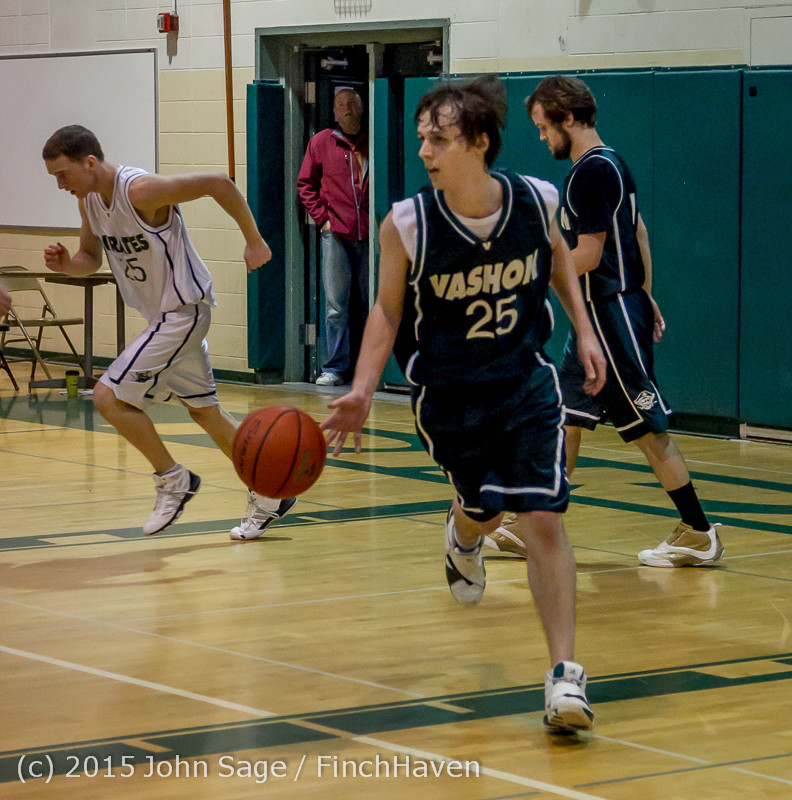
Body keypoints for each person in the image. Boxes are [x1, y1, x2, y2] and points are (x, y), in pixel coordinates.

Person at [322, 76, 607, 734]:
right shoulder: (407, 224)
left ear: (478, 142)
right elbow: (388, 311)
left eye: (439, 139)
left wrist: (585, 331)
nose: (425, 151)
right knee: (486, 507)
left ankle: (565, 676)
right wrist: (362, 388)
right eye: (422, 138)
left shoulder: (537, 199)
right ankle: (462, 534)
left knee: (542, 518)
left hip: (524, 380)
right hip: (448, 392)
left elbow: (561, 260)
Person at [503, 74, 722, 569]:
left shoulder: (590, 173)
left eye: (543, 127)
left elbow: (587, 254)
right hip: (600, 315)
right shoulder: (610, 163)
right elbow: (638, 231)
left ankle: (699, 530)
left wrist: (526, 270)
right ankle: (534, 525)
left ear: (567, 117)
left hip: (607, 314)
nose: (541, 138)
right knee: (565, 416)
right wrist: (645, 292)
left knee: (647, 428)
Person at [41, 125, 296, 540]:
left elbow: (218, 182)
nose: (60, 185)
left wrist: (254, 241)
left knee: (107, 396)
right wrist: (67, 264)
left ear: (90, 163)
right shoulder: (89, 202)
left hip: (183, 313)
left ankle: (172, 479)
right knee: (205, 413)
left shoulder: (140, 190)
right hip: (164, 319)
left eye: (63, 174)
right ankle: (271, 493)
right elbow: (91, 258)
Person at [297, 87, 369, 387]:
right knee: (336, 306)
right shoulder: (322, 142)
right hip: (336, 234)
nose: (347, 108)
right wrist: (323, 220)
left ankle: (370, 369)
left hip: (371, 234)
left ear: (362, 107)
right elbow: (305, 184)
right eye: (341, 104)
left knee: (373, 303)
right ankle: (334, 368)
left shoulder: (373, 138)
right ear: (334, 111)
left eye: (352, 103)